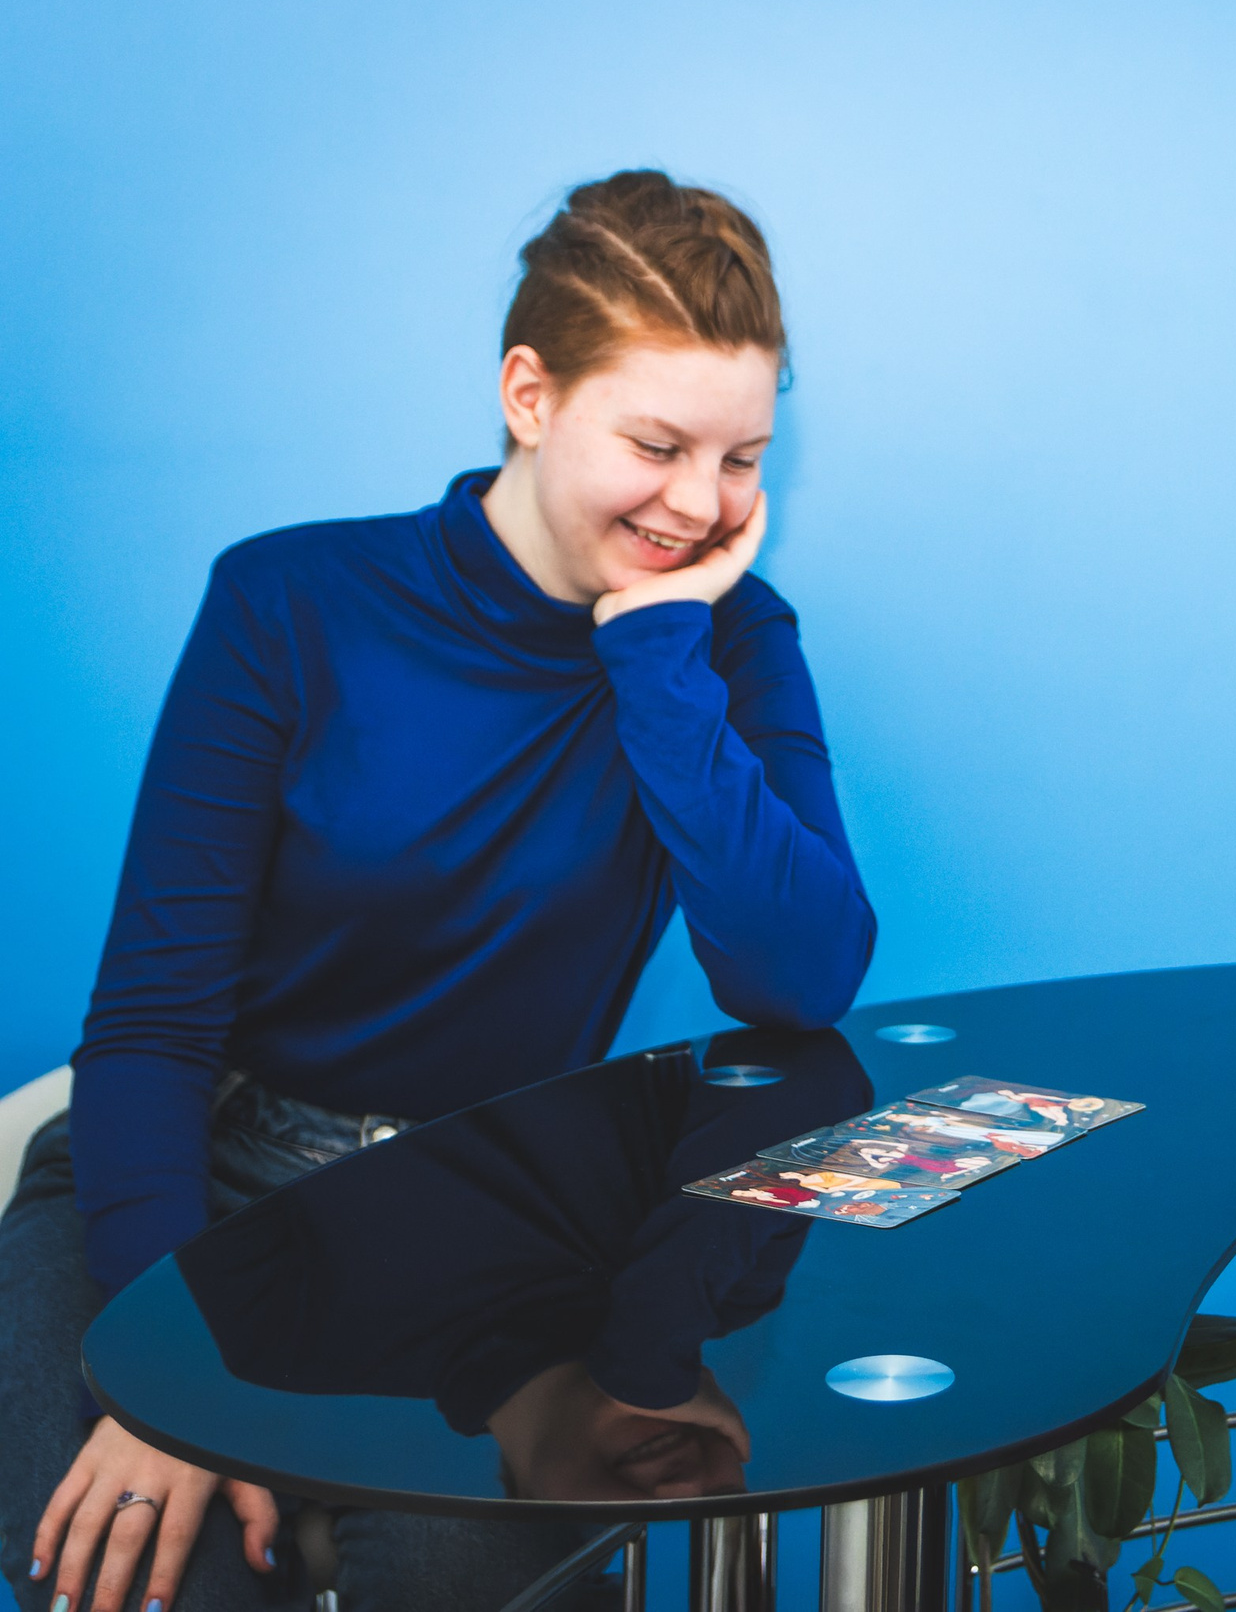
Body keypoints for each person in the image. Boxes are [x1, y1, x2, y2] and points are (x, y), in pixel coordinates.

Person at [0, 169, 877, 1612]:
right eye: (656, 444)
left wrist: (657, 651)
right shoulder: (289, 606)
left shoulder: (727, 637)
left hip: (494, 1225)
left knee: (475, 1589)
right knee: (164, 1577)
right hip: (196, 1192)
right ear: (529, 395)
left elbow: (799, 981)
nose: (696, 505)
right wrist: (158, 1375)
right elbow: (153, 1027)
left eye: (739, 461)